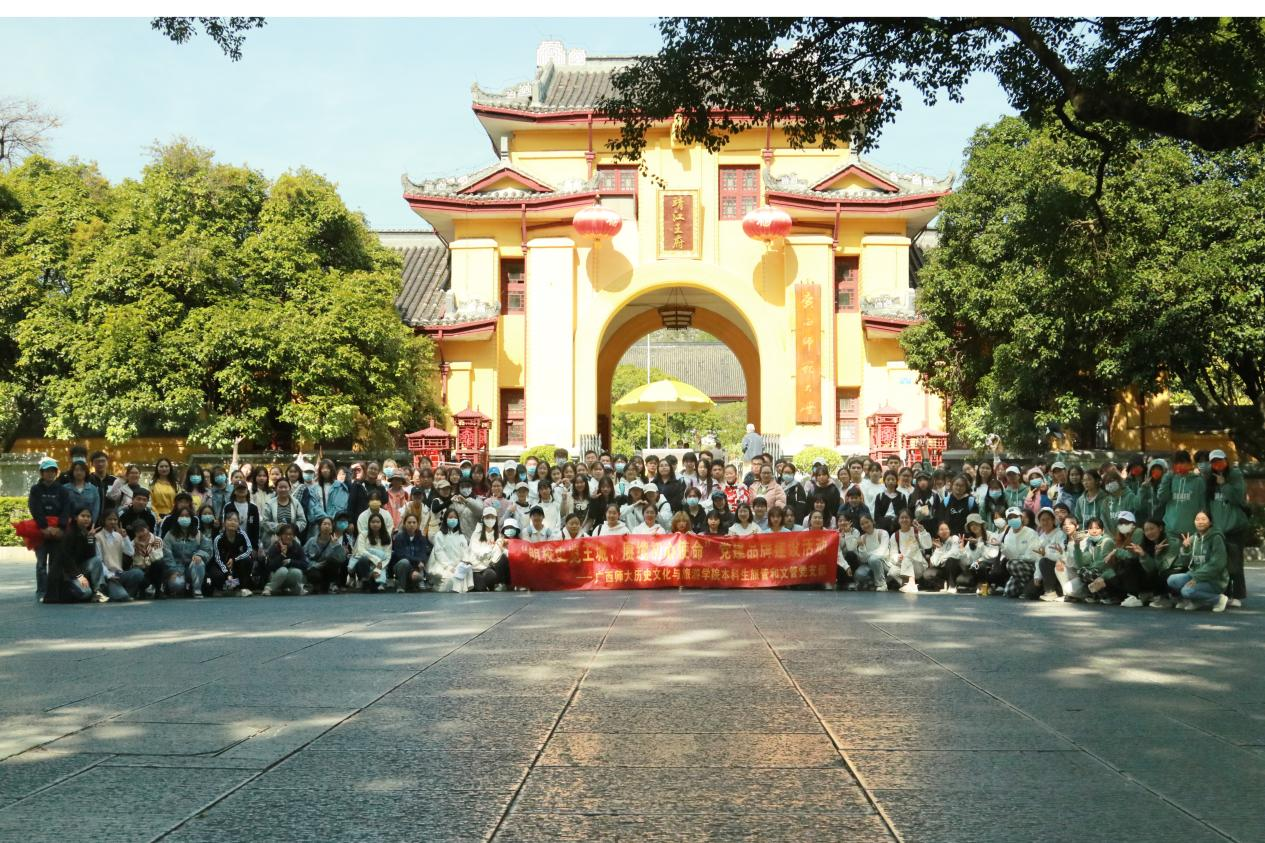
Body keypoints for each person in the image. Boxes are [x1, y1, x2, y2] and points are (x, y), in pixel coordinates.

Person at [1205, 448, 1248, 607]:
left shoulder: (1235, 475)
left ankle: (1237, 595)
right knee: (1220, 562)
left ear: (1226, 461)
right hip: (1218, 528)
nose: (1218, 464)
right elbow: (1208, 504)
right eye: (1214, 462)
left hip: (1235, 527)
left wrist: (1224, 485)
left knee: (1235, 562)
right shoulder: (1209, 479)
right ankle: (1224, 593)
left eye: (1220, 461)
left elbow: (1238, 499)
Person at [1167, 511, 1229, 612]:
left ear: (1210, 522)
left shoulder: (1216, 538)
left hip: (1214, 580)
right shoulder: (1193, 538)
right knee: (1172, 580)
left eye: (1203, 519)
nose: (1200, 522)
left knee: (1187, 591)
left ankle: (1219, 599)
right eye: (1197, 519)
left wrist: (1197, 578)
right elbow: (1184, 563)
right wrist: (1185, 549)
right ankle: (1197, 601)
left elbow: (1217, 564)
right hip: (1195, 575)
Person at [28, 457, 70, 600]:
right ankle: (41, 590)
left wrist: (60, 527)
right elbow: (35, 508)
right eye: (47, 471)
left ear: (56, 473)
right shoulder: (35, 489)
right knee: (41, 563)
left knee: (54, 562)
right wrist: (44, 527)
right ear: (42, 473)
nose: (50, 474)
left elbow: (66, 509)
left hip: (58, 530)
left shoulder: (62, 490)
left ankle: (52, 590)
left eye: (53, 471)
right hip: (40, 530)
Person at [44, 505, 98, 604]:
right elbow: (67, 559)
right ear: (76, 517)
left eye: (88, 516)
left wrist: (90, 538)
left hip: (78, 569)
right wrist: (80, 576)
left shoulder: (85, 532)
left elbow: (90, 557)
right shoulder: (69, 533)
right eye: (83, 516)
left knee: (96, 560)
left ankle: (98, 591)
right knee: (86, 593)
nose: (86, 519)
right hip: (66, 574)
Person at [161, 504, 212, 598]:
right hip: (177, 567)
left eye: (187, 516)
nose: (184, 518)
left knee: (199, 562)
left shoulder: (198, 534)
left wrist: (199, 555)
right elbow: (167, 554)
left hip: (193, 567)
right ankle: (179, 588)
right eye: (182, 516)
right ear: (177, 518)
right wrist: (173, 570)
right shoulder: (170, 534)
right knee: (177, 585)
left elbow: (207, 550)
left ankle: (197, 590)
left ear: (191, 518)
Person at [93, 510, 145, 602]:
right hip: (107, 576)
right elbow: (98, 560)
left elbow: (130, 552)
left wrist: (125, 537)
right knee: (121, 596)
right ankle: (117, 593)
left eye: (115, 519)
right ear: (104, 520)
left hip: (119, 573)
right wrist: (109, 575)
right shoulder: (98, 537)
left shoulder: (118, 536)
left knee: (138, 573)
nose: (113, 522)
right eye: (110, 519)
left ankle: (126, 594)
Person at [999, 506, 1042, 598]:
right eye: (1010, 518)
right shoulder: (1008, 535)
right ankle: (1025, 587)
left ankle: (1029, 587)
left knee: (1012, 564)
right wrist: (1001, 545)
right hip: (1018, 568)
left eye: (1015, 517)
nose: (1013, 519)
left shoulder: (1031, 533)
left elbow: (1033, 556)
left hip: (1031, 566)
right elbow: (1010, 556)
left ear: (1021, 517)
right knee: (1008, 592)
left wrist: (1018, 557)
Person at [210, 510, 255, 596]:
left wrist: (234, 559)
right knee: (218, 576)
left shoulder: (242, 534)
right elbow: (217, 559)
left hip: (236, 563)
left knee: (247, 560)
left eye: (235, 520)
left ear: (238, 524)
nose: (232, 522)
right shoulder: (218, 538)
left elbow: (249, 550)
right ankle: (220, 588)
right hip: (221, 565)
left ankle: (242, 588)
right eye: (229, 520)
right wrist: (227, 574)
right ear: (224, 523)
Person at [889, 510, 932, 593]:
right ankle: (908, 585)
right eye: (902, 518)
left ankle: (911, 583)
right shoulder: (895, 535)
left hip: (918, 565)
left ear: (911, 519)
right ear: (898, 520)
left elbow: (928, 545)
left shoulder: (916, 531)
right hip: (904, 565)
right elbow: (892, 554)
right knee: (892, 571)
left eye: (906, 517)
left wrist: (922, 531)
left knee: (907, 556)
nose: (904, 520)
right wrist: (897, 557)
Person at [430, 508, 472, 592]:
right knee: (450, 580)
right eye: (450, 517)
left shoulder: (461, 536)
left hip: (459, 566)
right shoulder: (439, 535)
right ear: (445, 519)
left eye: (455, 518)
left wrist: (464, 562)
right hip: (444, 565)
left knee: (465, 574)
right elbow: (439, 552)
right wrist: (449, 566)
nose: (453, 519)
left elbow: (465, 551)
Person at [303, 515, 347, 595]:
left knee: (332, 561)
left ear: (332, 528)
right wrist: (313, 564)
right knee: (313, 573)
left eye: (329, 524)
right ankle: (315, 586)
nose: (326, 526)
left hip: (328, 569)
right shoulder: (311, 541)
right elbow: (303, 556)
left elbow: (342, 559)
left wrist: (336, 545)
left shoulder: (335, 541)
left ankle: (331, 585)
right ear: (320, 527)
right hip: (315, 568)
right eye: (324, 524)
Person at [467, 513, 510, 591]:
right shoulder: (477, 534)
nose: (490, 520)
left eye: (492, 517)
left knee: (491, 574)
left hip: (490, 567)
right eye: (487, 517)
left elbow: (498, 555)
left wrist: (501, 549)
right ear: (483, 519)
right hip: (477, 569)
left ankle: (498, 584)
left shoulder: (498, 535)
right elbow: (476, 552)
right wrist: (488, 553)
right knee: (481, 585)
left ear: (496, 519)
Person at [262, 522, 308, 596]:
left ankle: (294, 589)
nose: (288, 537)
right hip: (276, 575)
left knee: (297, 572)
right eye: (285, 534)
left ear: (294, 536)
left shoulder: (297, 547)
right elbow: (270, 566)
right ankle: (269, 588)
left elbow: (305, 564)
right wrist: (282, 555)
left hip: (289, 575)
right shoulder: (275, 547)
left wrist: (291, 561)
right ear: (281, 536)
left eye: (290, 534)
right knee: (283, 570)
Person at [391, 511, 433, 593]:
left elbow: (423, 554)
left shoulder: (422, 538)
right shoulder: (399, 537)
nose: (412, 525)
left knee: (416, 576)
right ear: (404, 524)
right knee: (404, 562)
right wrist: (417, 561)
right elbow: (401, 555)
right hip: (400, 567)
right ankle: (401, 586)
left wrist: (420, 562)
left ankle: (412, 583)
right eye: (409, 522)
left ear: (417, 524)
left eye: (414, 522)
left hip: (416, 567)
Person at [351, 512, 393, 593]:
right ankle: (364, 581)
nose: (375, 524)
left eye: (378, 522)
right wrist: (376, 560)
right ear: (369, 523)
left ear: (382, 523)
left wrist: (378, 568)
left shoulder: (387, 537)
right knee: (363, 559)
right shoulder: (363, 535)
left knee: (375, 587)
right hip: (365, 564)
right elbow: (361, 551)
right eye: (373, 522)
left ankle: (377, 582)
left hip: (380, 566)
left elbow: (388, 556)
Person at [262, 478, 307, 550]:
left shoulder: (296, 503)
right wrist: (279, 527)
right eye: (280, 487)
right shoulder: (269, 504)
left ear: (290, 488)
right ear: (276, 489)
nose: (283, 489)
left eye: (285, 487)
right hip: (273, 540)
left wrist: (292, 528)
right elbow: (264, 522)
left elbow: (302, 521)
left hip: (292, 539)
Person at [853, 514, 890, 591]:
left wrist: (869, 555)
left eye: (867, 522)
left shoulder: (883, 533)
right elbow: (863, 559)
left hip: (884, 563)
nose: (865, 525)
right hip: (869, 565)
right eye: (862, 524)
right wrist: (862, 546)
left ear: (872, 521)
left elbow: (882, 552)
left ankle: (882, 584)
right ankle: (876, 581)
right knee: (859, 574)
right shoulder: (862, 538)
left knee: (873, 559)